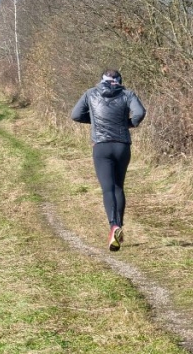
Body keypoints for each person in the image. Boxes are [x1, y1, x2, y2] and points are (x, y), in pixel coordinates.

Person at [71, 69, 146, 251]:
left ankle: (113, 225)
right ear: (120, 80)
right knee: (119, 186)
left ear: (101, 80)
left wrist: (96, 121)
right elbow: (139, 113)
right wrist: (126, 124)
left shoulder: (91, 93)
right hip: (122, 146)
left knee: (107, 189)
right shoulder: (127, 94)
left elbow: (75, 115)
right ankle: (119, 225)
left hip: (101, 147)